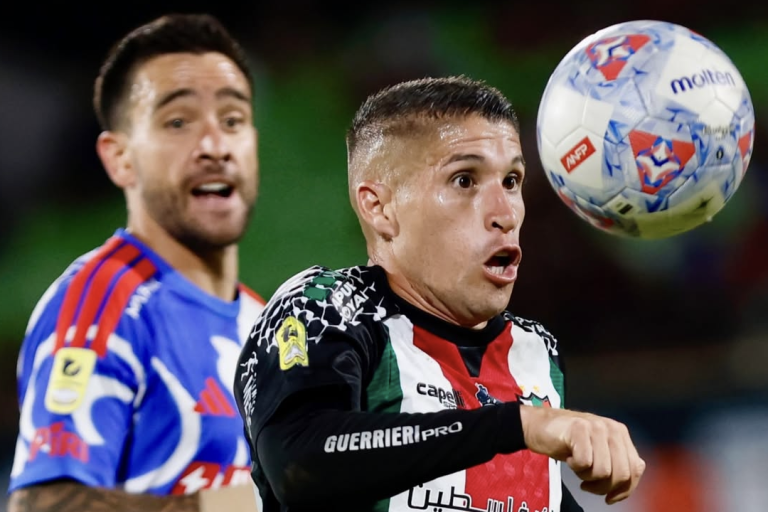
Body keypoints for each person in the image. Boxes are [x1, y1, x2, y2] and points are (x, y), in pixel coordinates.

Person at [234, 76, 646, 512]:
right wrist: (517, 425)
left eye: (511, 180)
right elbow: (297, 464)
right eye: (465, 180)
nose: (505, 214)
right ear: (379, 207)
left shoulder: (533, 350)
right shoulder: (327, 309)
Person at [9, 13, 265, 512]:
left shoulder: (263, 324)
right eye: (178, 122)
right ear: (119, 158)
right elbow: (44, 504)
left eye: (233, 120)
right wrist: (234, 505)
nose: (215, 146)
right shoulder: (102, 304)